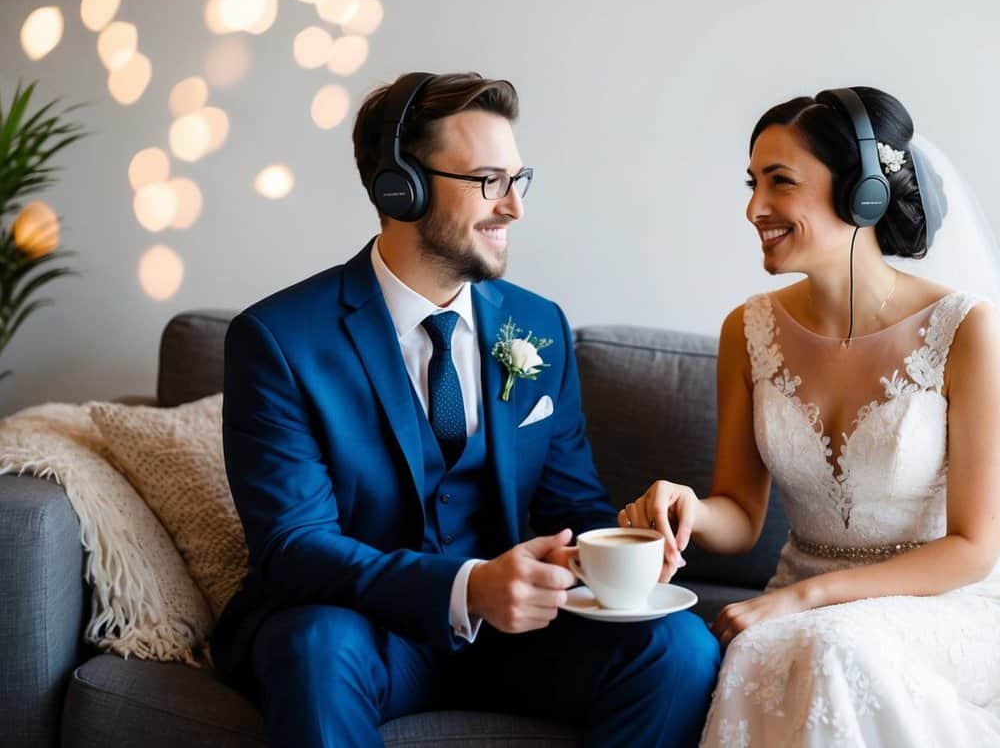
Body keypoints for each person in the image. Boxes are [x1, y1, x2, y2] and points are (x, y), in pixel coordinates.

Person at [622, 86, 1000, 746]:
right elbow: (740, 512)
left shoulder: (965, 329)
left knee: (829, 646)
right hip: (800, 601)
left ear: (862, 194)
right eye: (752, 183)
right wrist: (689, 509)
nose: (755, 207)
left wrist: (806, 599)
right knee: (779, 649)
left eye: (779, 182)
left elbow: (974, 548)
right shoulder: (746, 330)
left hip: (950, 603)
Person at [210, 71, 720, 748]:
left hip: (522, 637)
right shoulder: (279, 339)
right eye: (488, 181)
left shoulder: (538, 325)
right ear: (403, 187)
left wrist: (625, 552)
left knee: (678, 646)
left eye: (519, 179)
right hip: (363, 629)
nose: (514, 208)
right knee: (314, 645)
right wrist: (467, 586)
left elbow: (573, 506)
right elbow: (294, 545)